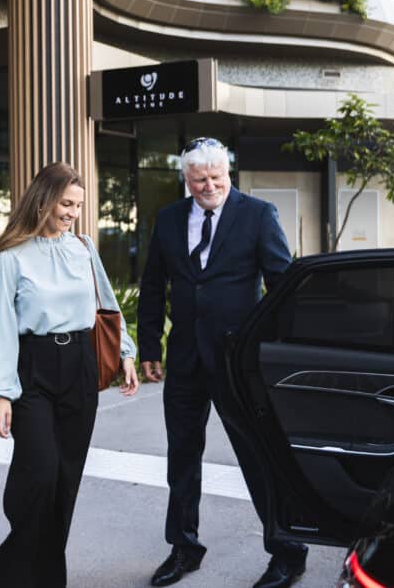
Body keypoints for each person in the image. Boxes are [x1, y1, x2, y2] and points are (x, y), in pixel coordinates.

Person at [138, 138, 308, 588]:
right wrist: (150, 347)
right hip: (185, 359)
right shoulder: (169, 219)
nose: (209, 186)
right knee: (182, 457)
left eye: (216, 177)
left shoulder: (258, 215)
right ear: (186, 179)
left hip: (238, 361)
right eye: (200, 180)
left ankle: (288, 554)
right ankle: (184, 548)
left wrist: (278, 351)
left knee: (257, 458)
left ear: (228, 173)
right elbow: (153, 286)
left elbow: (281, 284)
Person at [0, 162, 139, 588]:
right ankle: (13, 573)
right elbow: (0, 327)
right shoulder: (11, 258)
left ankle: (50, 577)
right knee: (39, 472)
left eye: (78, 205)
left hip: (81, 366)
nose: (73, 213)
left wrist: (125, 353)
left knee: (66, 479)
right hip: (33, 368)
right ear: (44, 200)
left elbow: (107, 304)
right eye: (66, 203)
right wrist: (0, 393)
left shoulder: (84, 248)